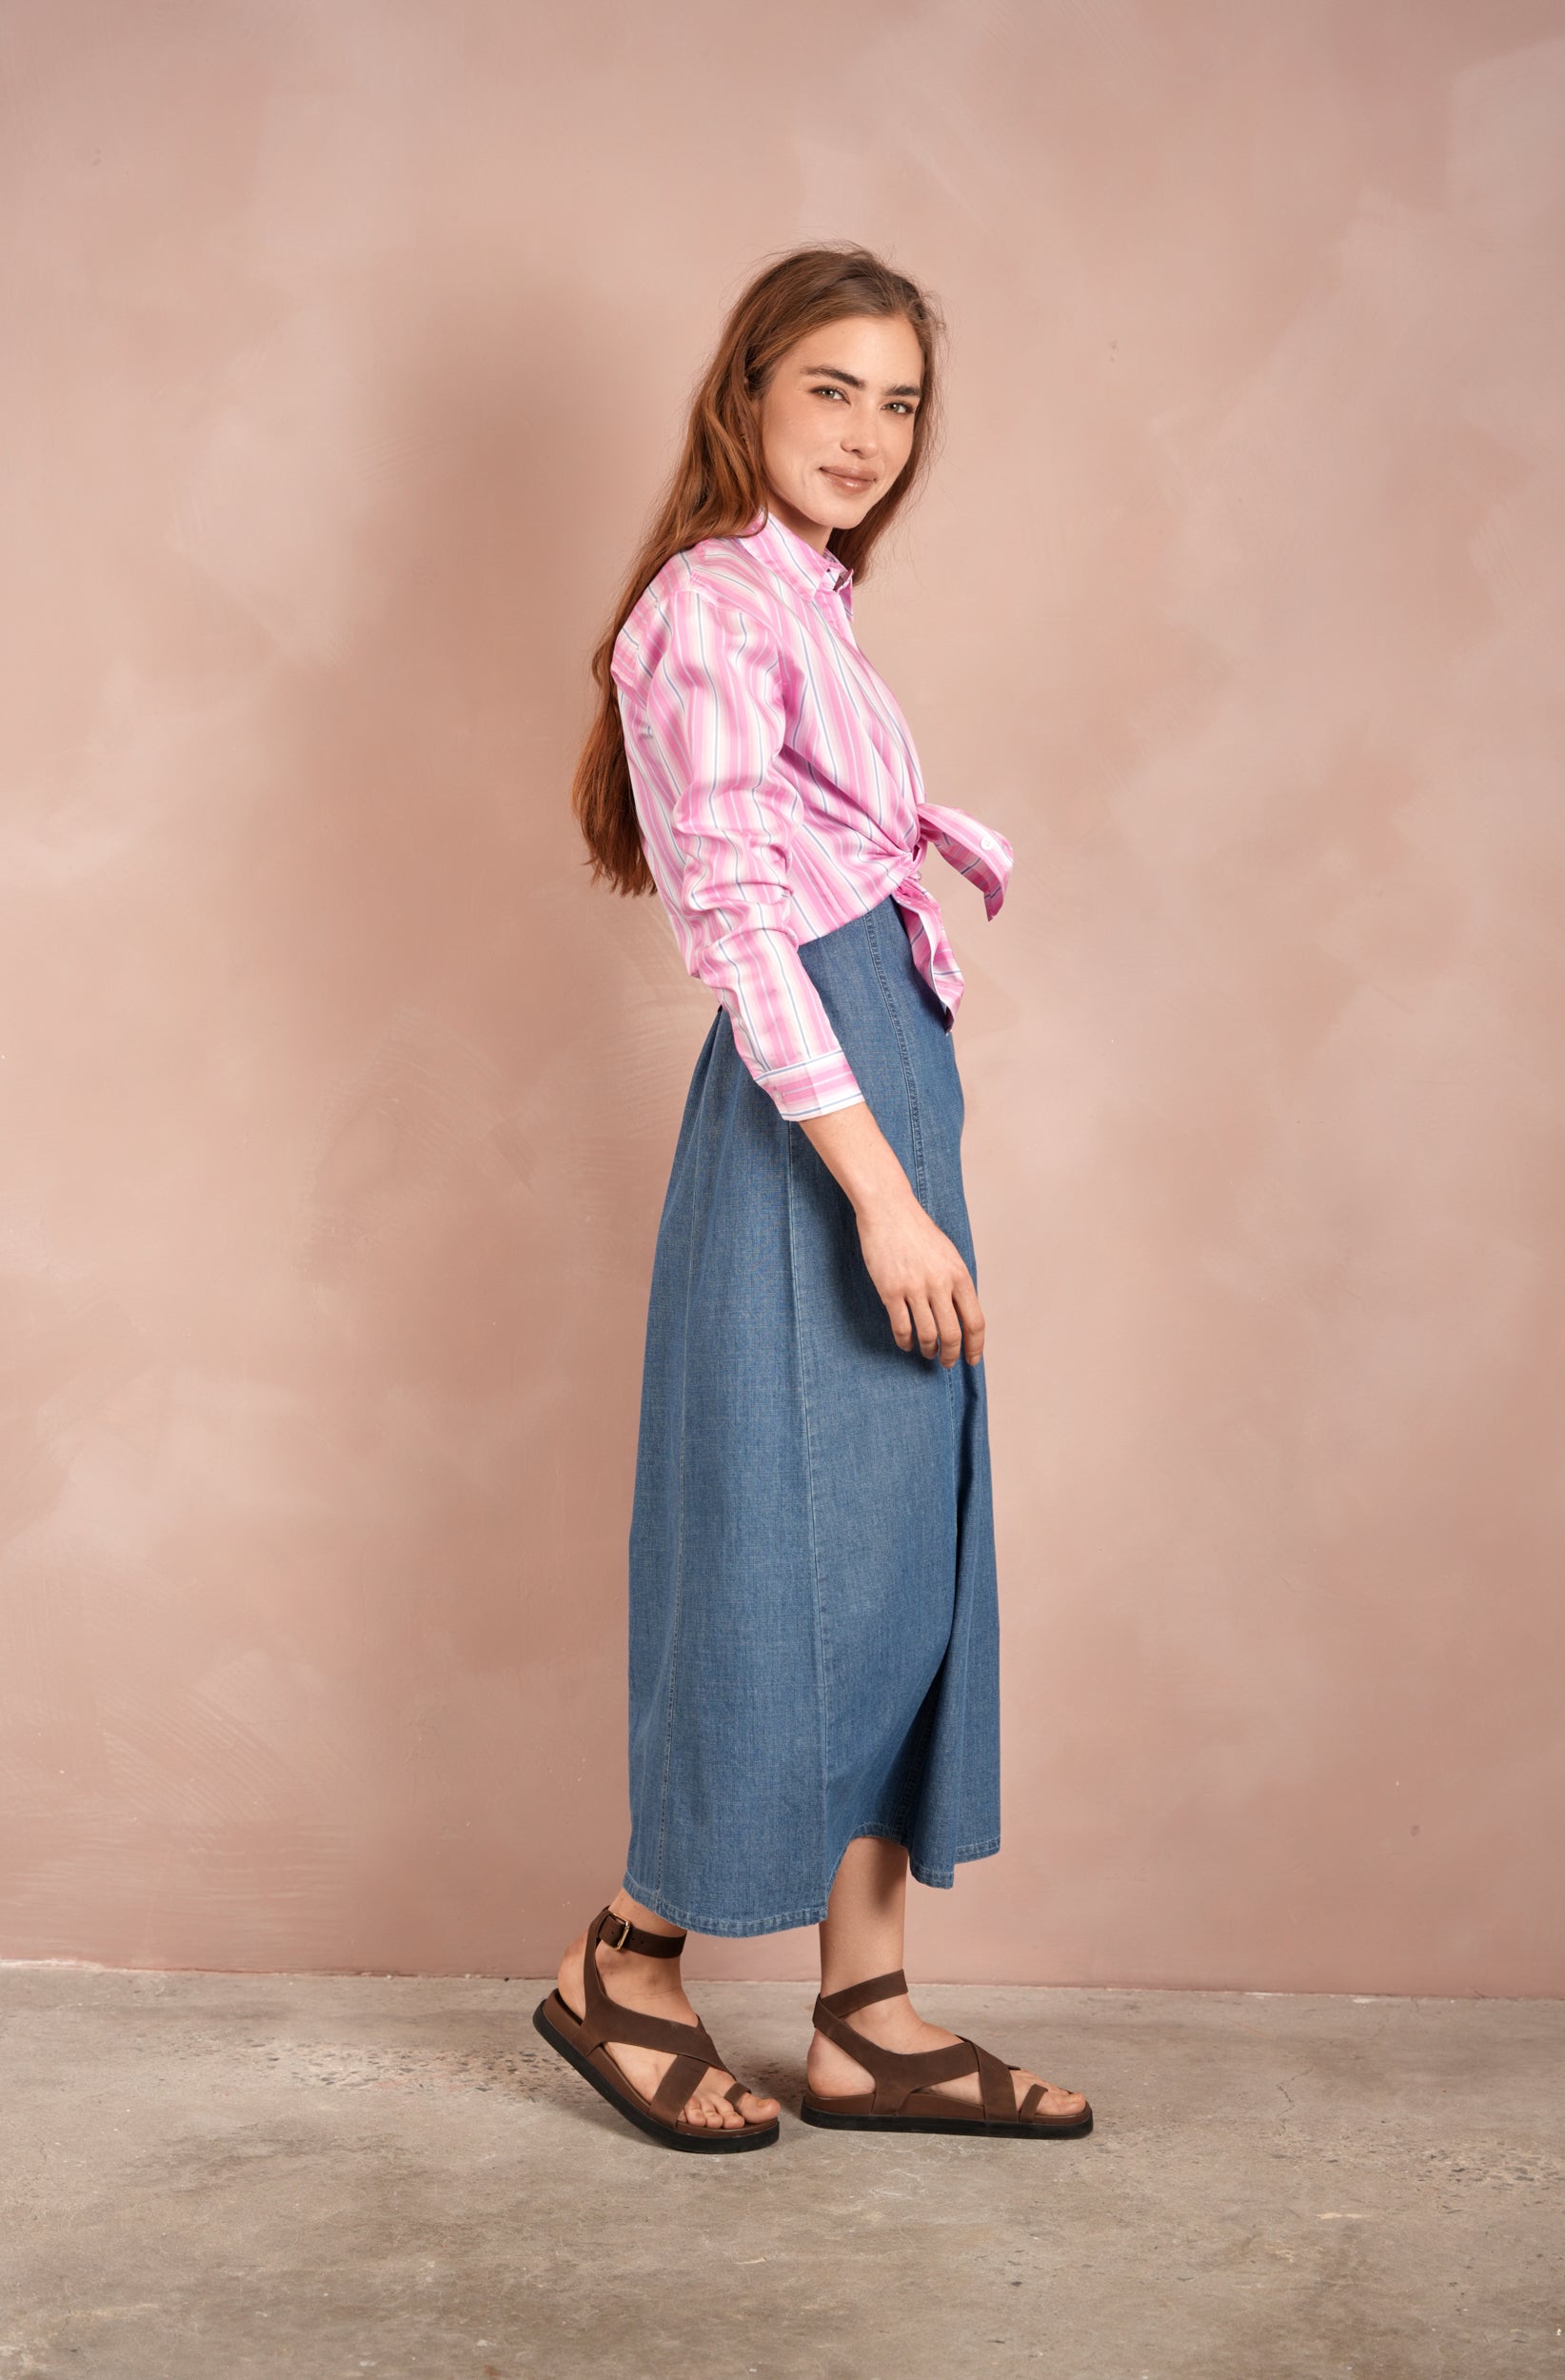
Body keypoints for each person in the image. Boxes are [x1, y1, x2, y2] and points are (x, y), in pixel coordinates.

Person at [539, 242, 1093, 2152]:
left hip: (879, 1085)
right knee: (778, 1548)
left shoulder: (808, 601)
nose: (866, 434)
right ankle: (626, 1961)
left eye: (899, 401)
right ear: (749, 394)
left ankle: (865, 2010)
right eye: (831, 389)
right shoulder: (707, 606)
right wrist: (877, 1191)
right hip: (818, 1115)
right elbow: (741, 926)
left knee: (903, 1550)